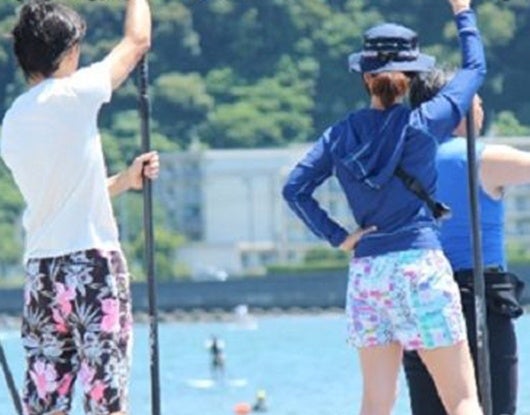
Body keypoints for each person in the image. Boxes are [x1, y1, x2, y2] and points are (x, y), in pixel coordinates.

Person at [282, 0, 486, 413]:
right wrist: (463, 12)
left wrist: (339, 237)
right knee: (462, 398)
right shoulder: (424, 123)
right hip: (420, 268)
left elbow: (294, 189)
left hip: (368, 274)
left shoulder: (340, 135)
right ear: (410, 79)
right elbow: (475, 69)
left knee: (376, 403)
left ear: (366, 77)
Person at [0, 0, 153, 414]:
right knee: (106, 401)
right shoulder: (75, 93)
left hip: (42, 273)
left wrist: (125, 181)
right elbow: (137, 40)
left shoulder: (11, 122)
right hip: (91, 265)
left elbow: (62, 197)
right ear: (68, 52)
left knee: (45, 404)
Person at [403, 68, 527, 415]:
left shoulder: (402, 161)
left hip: (420, 298)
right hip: (477, 298)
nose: (481, 108)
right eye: (476, 101)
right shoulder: (480, 158)